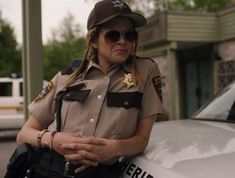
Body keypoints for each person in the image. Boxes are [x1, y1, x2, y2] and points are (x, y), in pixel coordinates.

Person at [16, 0, 164, 177]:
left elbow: (142, 139)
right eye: (113, 35)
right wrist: (53, 139)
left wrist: (114, 149)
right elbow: (24, 134)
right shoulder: (66, 77)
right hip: (54, 171)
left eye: (130, 35)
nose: (123, 41)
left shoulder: (146, 71)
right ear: (94, 40)